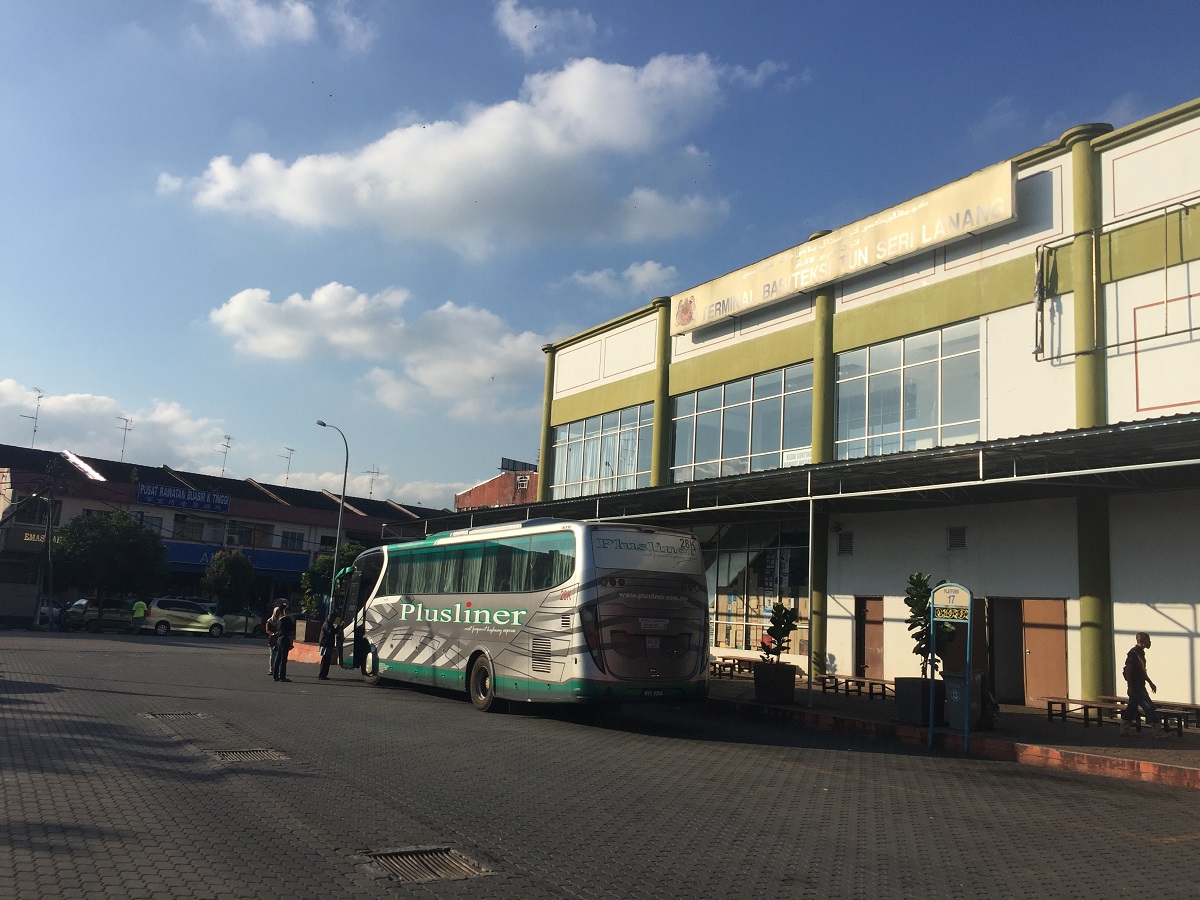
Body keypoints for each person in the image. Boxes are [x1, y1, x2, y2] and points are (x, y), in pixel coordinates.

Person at [1120, 631, 1168, 737]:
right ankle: (1158, 731)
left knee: (1132, 706)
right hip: (1137, 686)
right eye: (1148, 640)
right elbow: (1129, 671)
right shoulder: (1134, 653)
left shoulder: (1139, 653)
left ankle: (1124, 728)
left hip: (1138, 685)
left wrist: (1150, 683)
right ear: (1142, 641)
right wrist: (1131, 686)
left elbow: (1142, 671)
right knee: (1149, 706)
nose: (1150, 642)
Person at [272, 602, 296, 683]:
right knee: (283, 659)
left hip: (279, 639)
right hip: (285, 639)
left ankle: (275, 676)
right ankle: (282, 676)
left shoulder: (279, 620)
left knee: (277, 658)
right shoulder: (287, 620)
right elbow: (291, 630)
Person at [265, 602, 284, 676]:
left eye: (279, 612)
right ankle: (271, 669)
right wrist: (273, 633)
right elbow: (267, 630)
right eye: (276, 612)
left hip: (279, 639)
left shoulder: (281, 620)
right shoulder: (270, 621)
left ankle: (278, 669)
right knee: (272, 655)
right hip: (272, 639)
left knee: (279, 655)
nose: (278, 613)